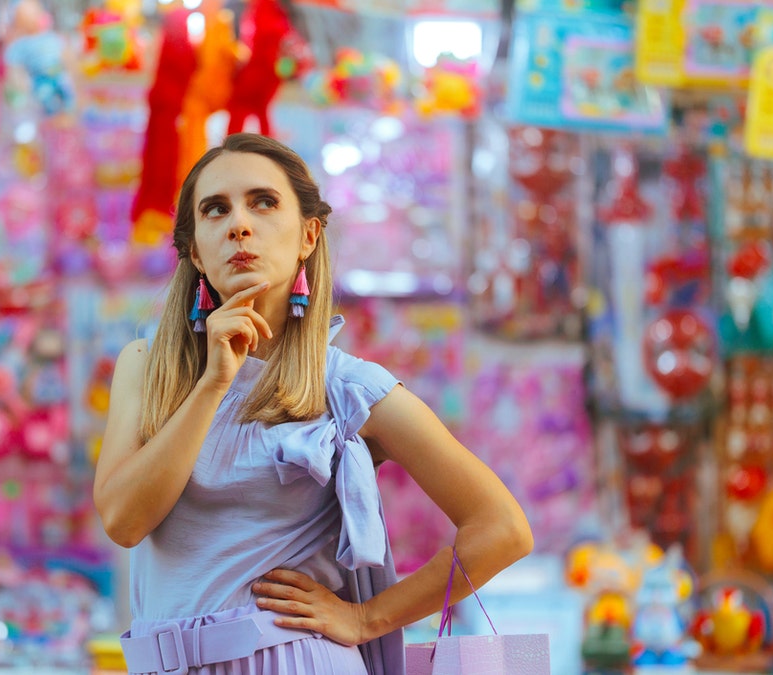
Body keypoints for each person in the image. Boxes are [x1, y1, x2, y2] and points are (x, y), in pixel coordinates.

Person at [94, 132, 533, 674]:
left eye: (263, 202)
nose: (239, 224)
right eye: (215, 209)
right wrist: (212, 383)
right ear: (195, 252)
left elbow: (502, 529)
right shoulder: (146, 366)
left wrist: (366, 619)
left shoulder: (349, 388)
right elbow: (124, 522)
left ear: (308, 236)